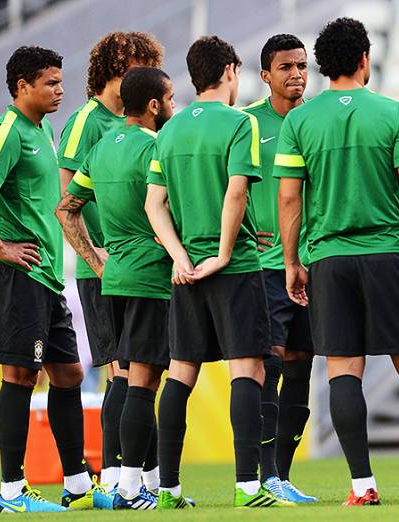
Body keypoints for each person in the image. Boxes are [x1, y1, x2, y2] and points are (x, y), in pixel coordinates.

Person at [276, 17, 399, 505]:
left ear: (322, 66)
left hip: (328, 259)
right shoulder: (391, 112)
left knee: (344, 371)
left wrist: (291, 261)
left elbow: (288, 198)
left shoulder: (299, 121)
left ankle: (362, 485)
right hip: (385, 255)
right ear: (365, 59)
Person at [0, 45, 109, 512]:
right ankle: (11, 492)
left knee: (69, 373)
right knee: (21, 376)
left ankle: (79, 486)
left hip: (43, 277)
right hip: (14, 275)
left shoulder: (41, 130)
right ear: (23, 86)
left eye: (62, 82)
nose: (61, 90)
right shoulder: (8, 130)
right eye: (51, 83)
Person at [145, 35, 293, 509]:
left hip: (186, 271)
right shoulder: (239, 122)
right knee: (247, 368)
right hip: (234, 268)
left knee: (180, 373)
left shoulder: (168, 130)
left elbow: (154, 204)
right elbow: (235, 193)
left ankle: (167, 489)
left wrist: (179, 257)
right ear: (230, 70)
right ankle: (248, 486)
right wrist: (224, 253)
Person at [57, 66, 175, 510]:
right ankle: (127, 488)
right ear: (153, 105)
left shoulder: (103, 148)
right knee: (143, 383)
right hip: (150, 275)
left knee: (123, 378)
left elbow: (66, 209)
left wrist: (95, 260)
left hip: (116, 277)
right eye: (170, 97)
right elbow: (170, 210)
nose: (173, 105)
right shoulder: (156, 146)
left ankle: (124, 480)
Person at [243, 33, 317, 503]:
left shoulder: (318, 120)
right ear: (266, 74)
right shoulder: (246, 123)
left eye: (303, 66)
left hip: (314, 265)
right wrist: (244, 230)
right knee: (268, 365)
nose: (296, 75)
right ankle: (265, 474)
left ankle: (283, 475)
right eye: (286, 67)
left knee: (302, 368)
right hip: (267, 267)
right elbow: (226, 185)